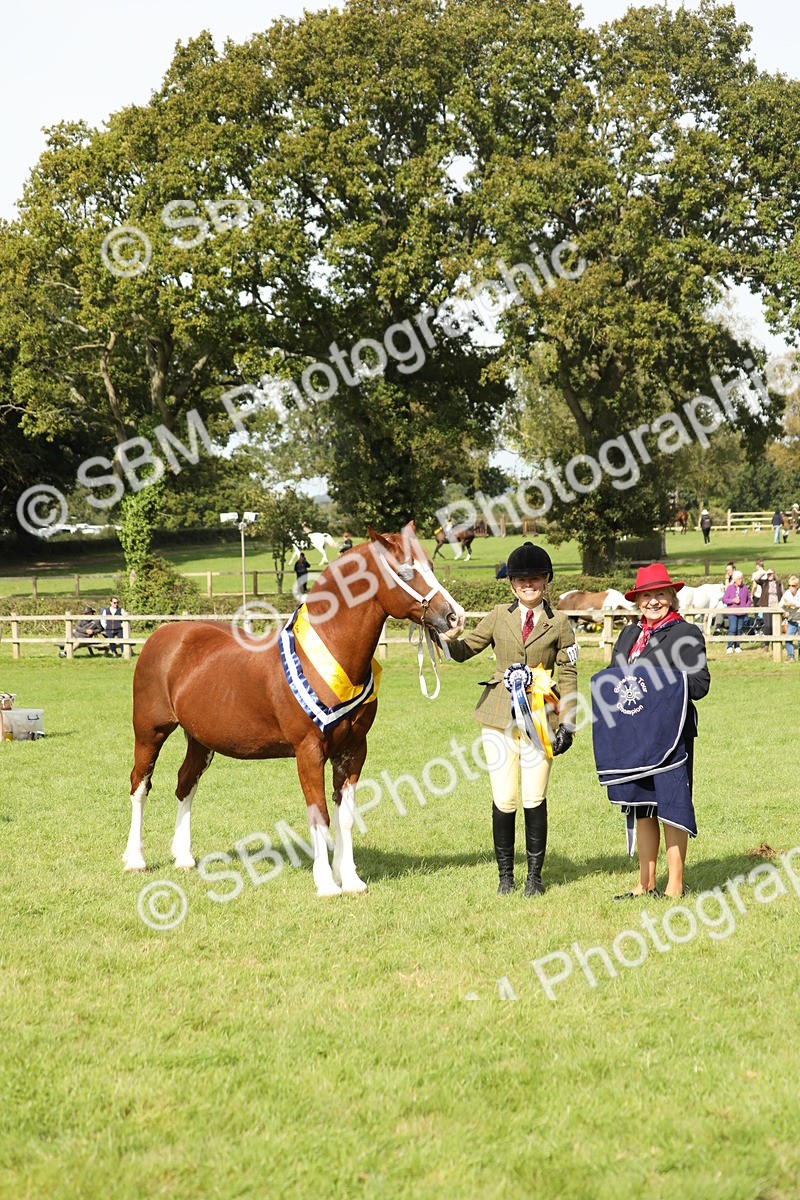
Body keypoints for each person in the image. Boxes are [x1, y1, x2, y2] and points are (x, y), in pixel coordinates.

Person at [440, 542, 577, 897]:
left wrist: (570, 723)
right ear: (511, 584)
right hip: (498, 714)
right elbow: (466, 649)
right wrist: (447, 638)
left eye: (534, 578)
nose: (527, 585)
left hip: (541, 717)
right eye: (520, 579)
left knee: (534, 795)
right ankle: (505, 876)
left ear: (546, 581)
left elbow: (569, 675)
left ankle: (534, 876)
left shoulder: (560, 623)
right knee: (504, 797)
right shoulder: (499, 615)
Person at [601, 564, 710, 899]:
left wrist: (656, 678)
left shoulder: (685, 634)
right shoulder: (629, 634)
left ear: (671, 597)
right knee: (642, 806)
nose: (652, 601)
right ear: (637, 600)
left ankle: (675, 885)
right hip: (634, 735)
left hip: (671, 735)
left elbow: (700, 683)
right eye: (646, 595)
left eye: (660, 594)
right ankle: (644, 884)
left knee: (671, 806)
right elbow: (613, 676)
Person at [722, 570, 751, 653]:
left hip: (741, 612)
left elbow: (749, 600)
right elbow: (724, 599)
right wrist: (732, 600)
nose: (741, 580)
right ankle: (729, 646)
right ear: (735, 579)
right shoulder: (730, 588)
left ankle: (737, 645)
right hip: (732, 612)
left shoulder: (744, 588)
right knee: (733, 628)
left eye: (741, 578)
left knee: (739, 629)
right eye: (739, 579)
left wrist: (746, 607)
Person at [780, 575, 800, 661]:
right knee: (788, 638)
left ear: (797, 586)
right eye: (789, 585)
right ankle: (791, 656)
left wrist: (793, 604)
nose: (791, 587)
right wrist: (785, 605)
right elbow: (780, 603)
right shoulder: (787, 593)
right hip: (792, 619)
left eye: (793, 585)